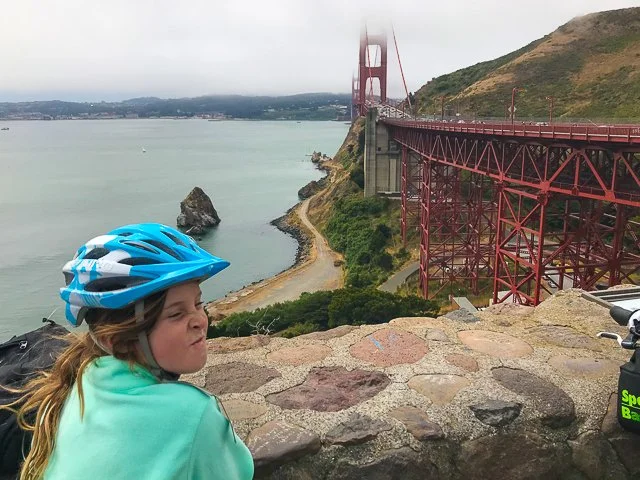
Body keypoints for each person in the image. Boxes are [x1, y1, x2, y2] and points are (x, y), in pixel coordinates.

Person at [7, 223, 254, 479]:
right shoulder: (193, 414)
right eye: (176, 314)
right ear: (117, 340)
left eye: (198, 303)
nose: (200, 320)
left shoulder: (82, 382)